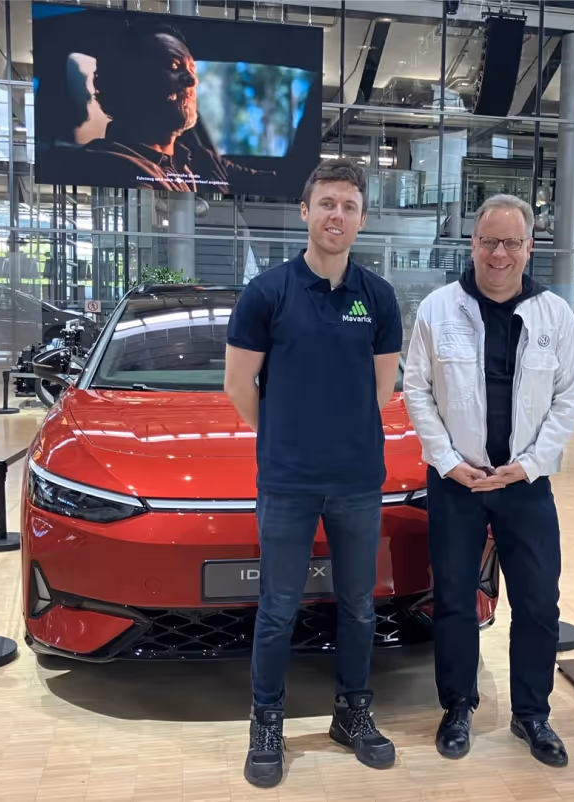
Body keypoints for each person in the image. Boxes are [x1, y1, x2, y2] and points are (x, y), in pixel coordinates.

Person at [223, 158, 403, 788]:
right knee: (277, 608)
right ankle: (266, 720)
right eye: (327, 203)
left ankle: (352, 713)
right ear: (305, 212)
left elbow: (381, 392)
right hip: (288, 481)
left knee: (357, 606)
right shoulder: (267, 293)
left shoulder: (377, 297)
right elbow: (240, 386)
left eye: (349, 206)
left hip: (357, 479)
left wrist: (337, 433)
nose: (337, 216)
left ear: (361, 219)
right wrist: (287, 436)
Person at [402, 194, 574, 767]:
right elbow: (416, 390)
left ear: (529, 247)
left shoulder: (555, 314)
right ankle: (457, 706)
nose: (499, 254)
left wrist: (526, 466)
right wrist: (448, 460)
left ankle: (533, 714)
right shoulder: (437, 309)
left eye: (511, 243)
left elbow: (568, 399)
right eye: (489, 242)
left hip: (525, 485)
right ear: (473, 244)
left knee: (538, 603)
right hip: (456, 484)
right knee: (455, 600)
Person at [78, 25, 255, 193]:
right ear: (128, 82)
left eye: (193, 70)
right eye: (174, 67)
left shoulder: (198, 158)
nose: (193, 81)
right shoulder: (112, 166)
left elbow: (270, 183)